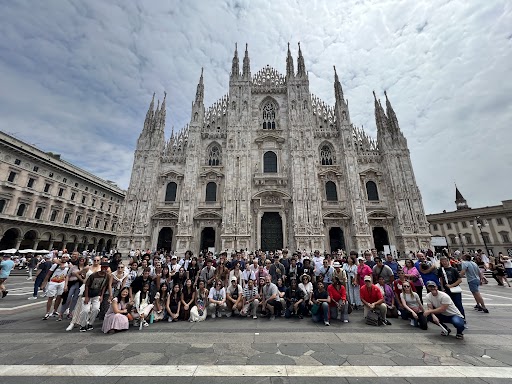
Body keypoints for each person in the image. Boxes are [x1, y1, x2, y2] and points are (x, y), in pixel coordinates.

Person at [79, 262, 110, 332]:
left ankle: (90, 323)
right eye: (103, 267)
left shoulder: (107, 276)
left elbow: (104, 286)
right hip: (88, 294)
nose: (104, 269)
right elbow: (87, 285)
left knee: (96, 309)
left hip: (97, 295)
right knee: (85, 310)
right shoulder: (94, 275)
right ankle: (83, 325)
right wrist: (86, 296)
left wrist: (101, 295)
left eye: (106, 267)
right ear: (101, 267)